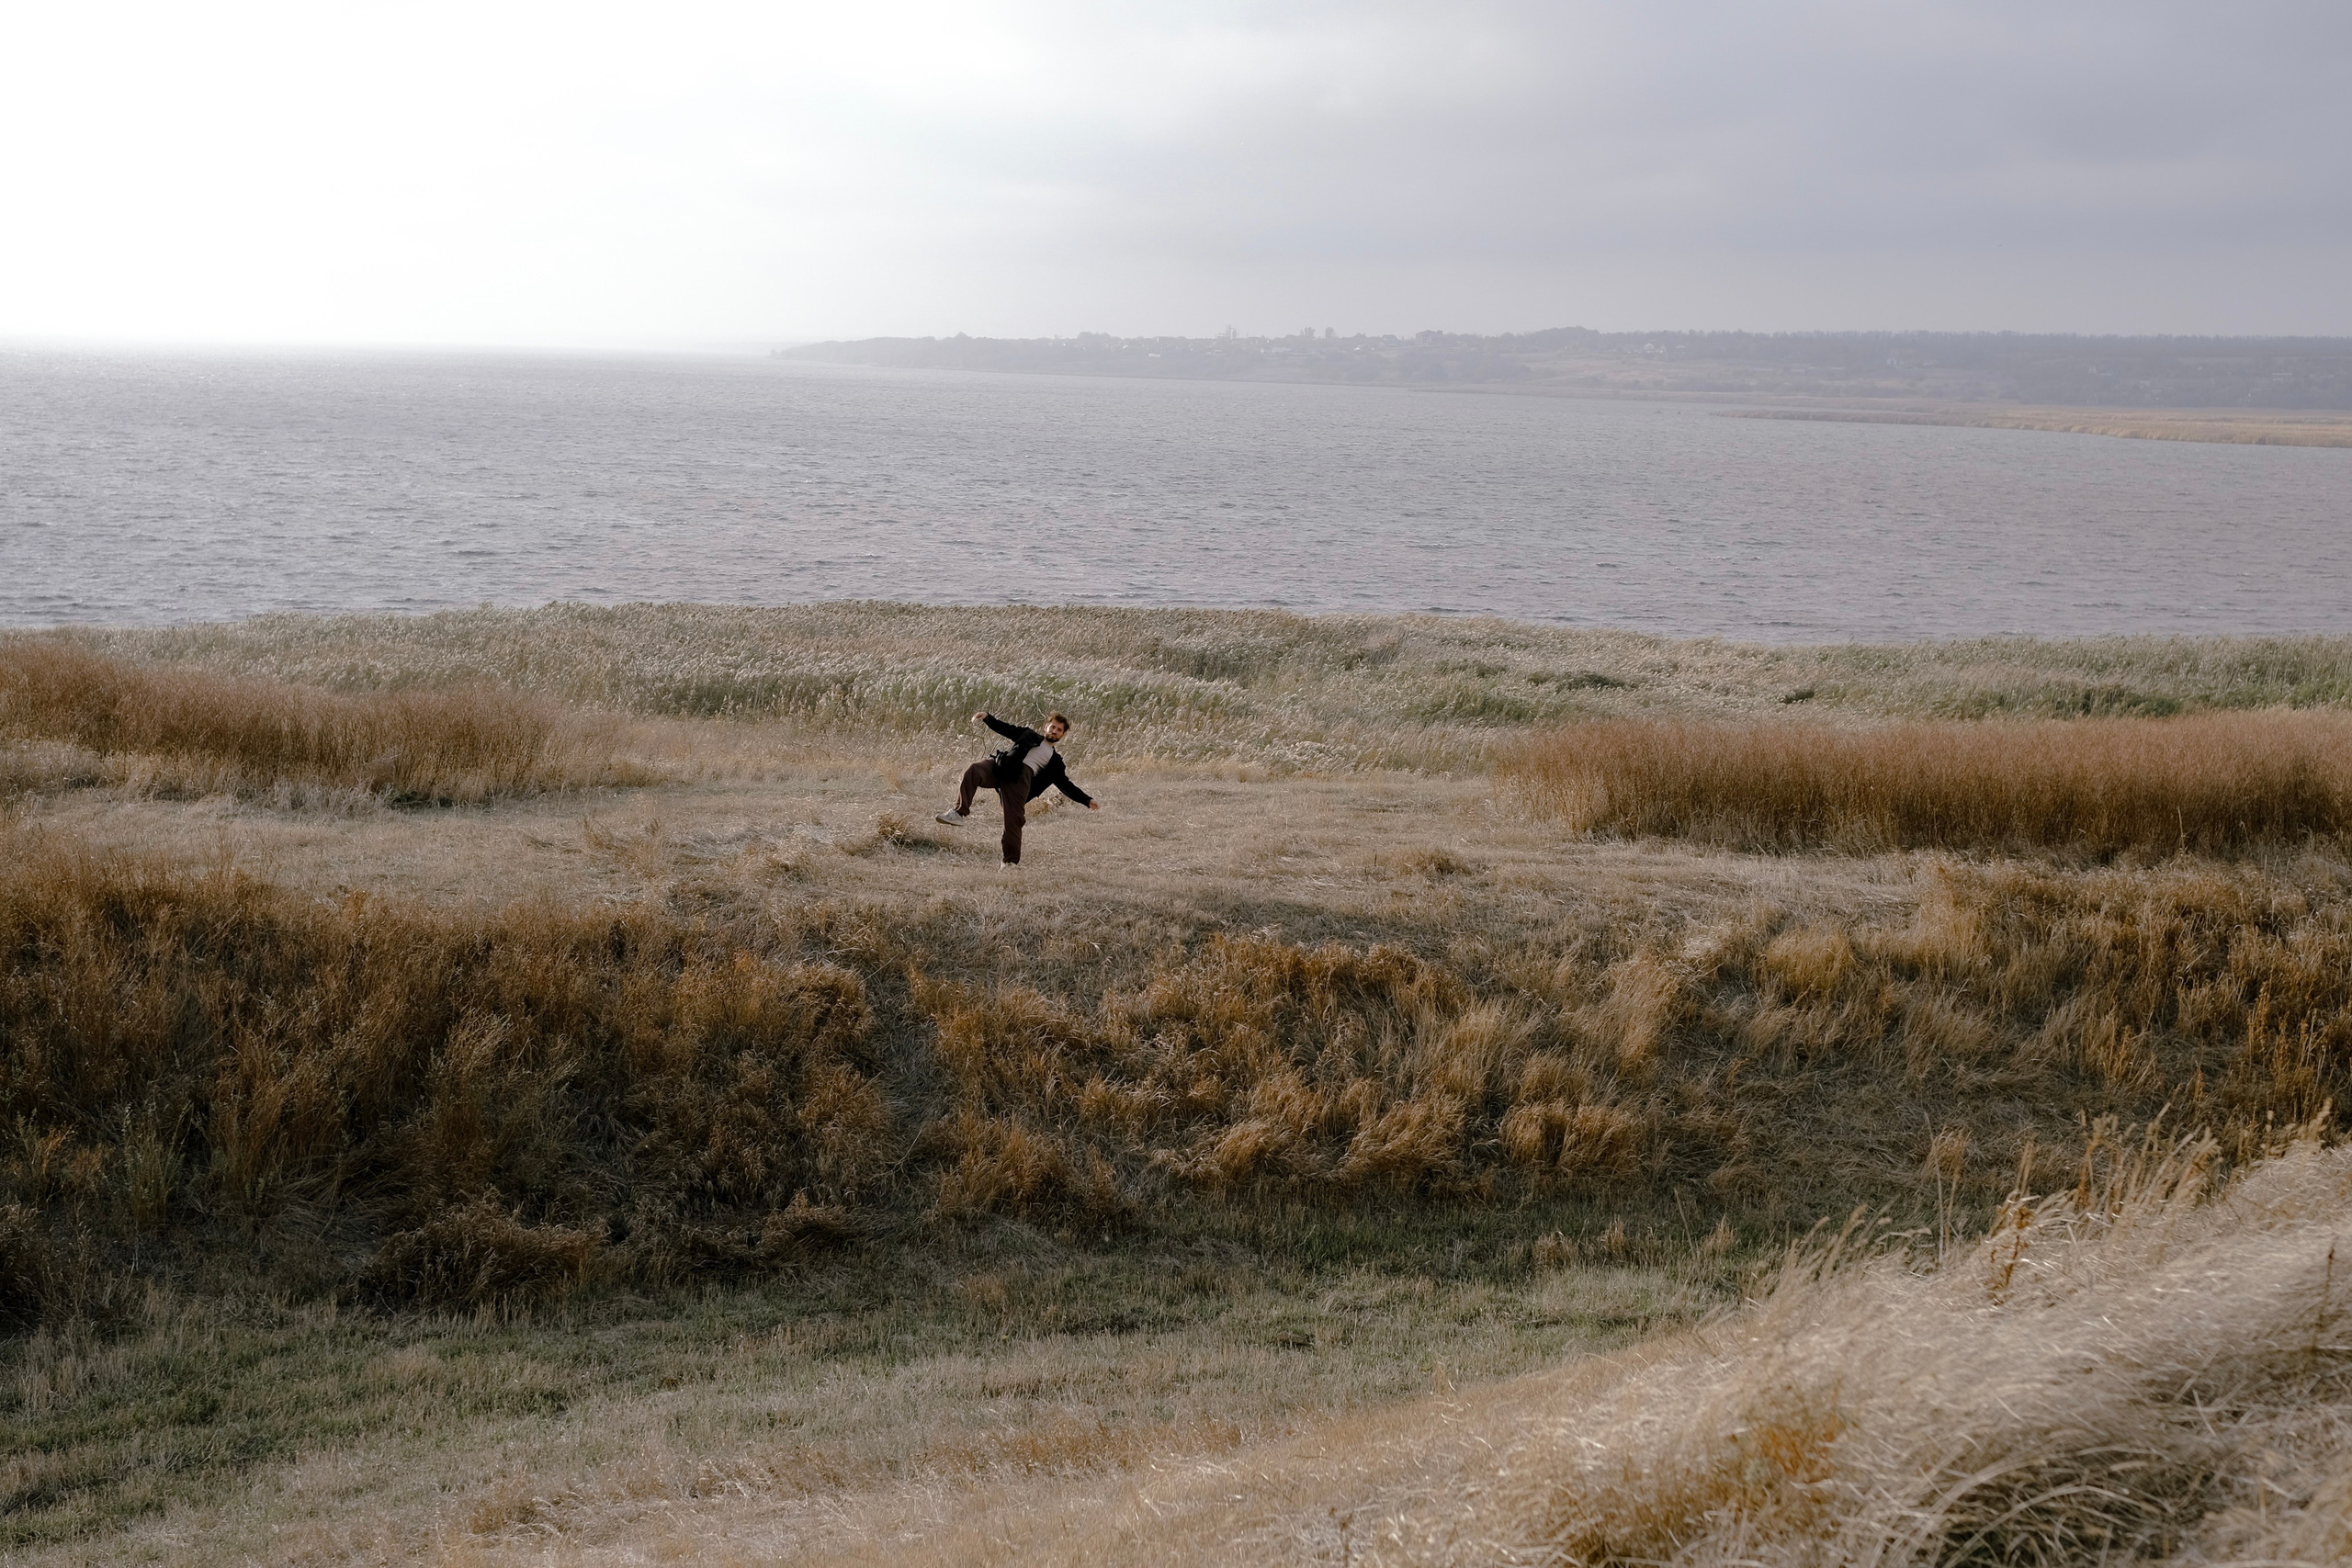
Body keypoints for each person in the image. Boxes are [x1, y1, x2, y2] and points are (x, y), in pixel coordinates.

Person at [936, 709, 1100, 865]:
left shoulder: (1055, 762)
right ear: (1046, 727)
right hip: (1003, 766)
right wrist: (987, 717)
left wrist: (1086, 800)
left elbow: (1065, 785)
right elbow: (1006, 729)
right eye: (1053, 727)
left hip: (1020, 780)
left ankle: (1010, 862)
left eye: (1059, 730)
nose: (1054, 731)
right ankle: (958, 813)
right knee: (974, 770)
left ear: (1063, 735)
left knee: (1014, 821)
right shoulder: (1028, 735)